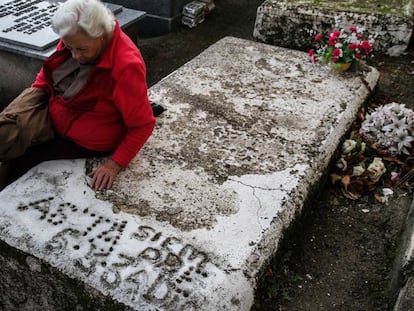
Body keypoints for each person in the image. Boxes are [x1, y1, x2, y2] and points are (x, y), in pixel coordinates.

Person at [3, 0, 156, 191]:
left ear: (101, 36)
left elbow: (143, 125)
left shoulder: (126, 66)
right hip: (56, 113)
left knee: (21, 159)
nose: (74, 55)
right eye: (69, 48)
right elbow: (46, 76)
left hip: (84, 140)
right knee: (6, 134)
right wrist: (31, 104)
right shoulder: (75, 36)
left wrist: (114, 164)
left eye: (81, 49)